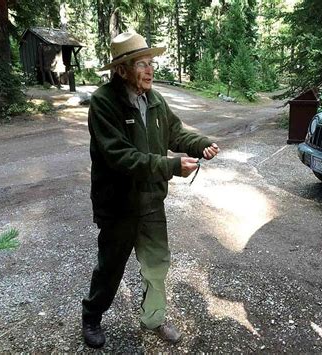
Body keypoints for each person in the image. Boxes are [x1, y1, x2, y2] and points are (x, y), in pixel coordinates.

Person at [81, 31, 220, 349]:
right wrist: (171, 166)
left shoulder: (155, 100)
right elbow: (121, 158)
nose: (149, 69)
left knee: (157, 264)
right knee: (110, 268)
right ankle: (91, 317)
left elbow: (176, 132)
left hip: (151, 201)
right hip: (117, 204)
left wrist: (201, 145)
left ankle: (153, 318)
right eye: (141, 64)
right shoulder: (104, 103)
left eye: (150, 62)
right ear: (121, 69)